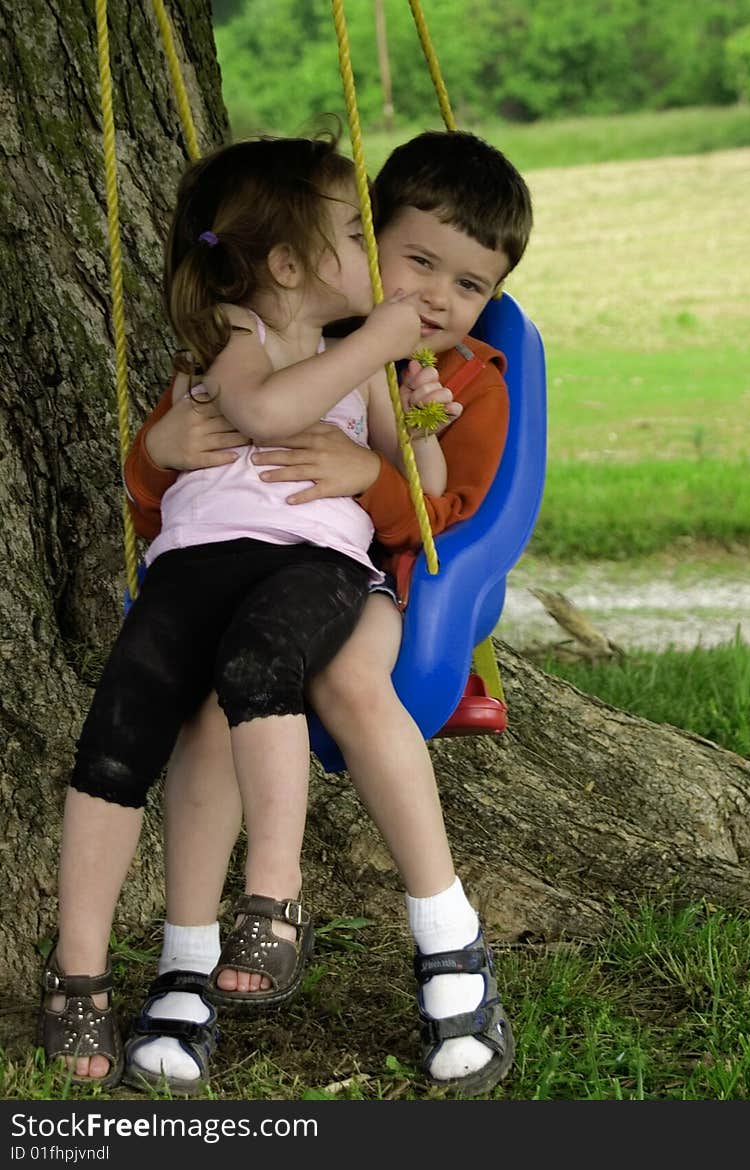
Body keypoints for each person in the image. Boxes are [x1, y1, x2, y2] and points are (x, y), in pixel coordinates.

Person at [37, 131, 456, 1091]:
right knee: (116, 738)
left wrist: (420, 412)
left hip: (314, 565)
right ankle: (80, 970)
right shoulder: (239, 337)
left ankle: (273, 895)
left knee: (263, 666)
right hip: (193, 565)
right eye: (357, 232)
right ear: (286, 266)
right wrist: (383, 342)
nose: (375, 253)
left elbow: (423, 491)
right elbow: (263, 414)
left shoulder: (367, 361)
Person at [121, 130, 533, 1098]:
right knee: (211, 702)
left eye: (469, 286)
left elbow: (452, 520)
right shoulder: (280, 341)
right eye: (416, 261)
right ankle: (186, 970)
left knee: (349, 679)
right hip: (242, 591)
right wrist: (155, 453)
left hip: (373, 590)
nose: (436, 298)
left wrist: (369, 476)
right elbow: (173, 491)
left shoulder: (465, 381)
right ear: (351, 246)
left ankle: (449, 940)